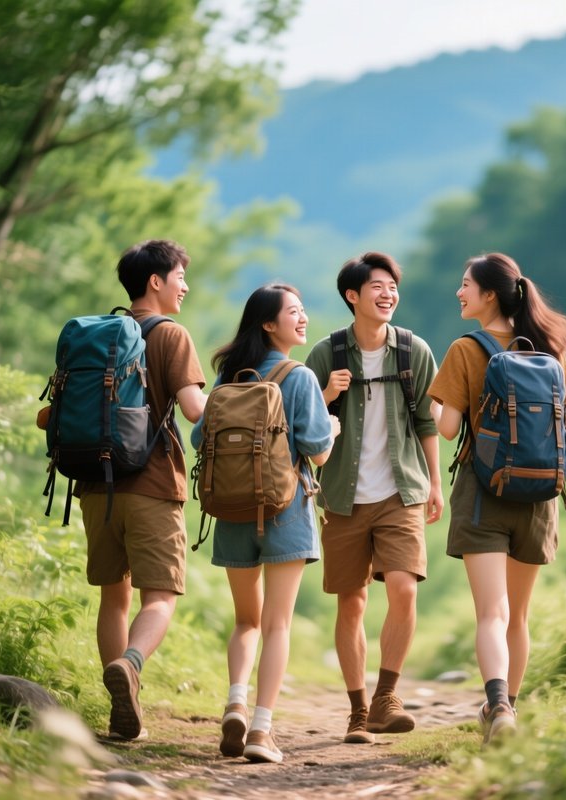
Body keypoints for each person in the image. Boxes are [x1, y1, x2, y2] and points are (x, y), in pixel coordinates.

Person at [428, 252, 566, 745]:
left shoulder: (465, 350)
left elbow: (450, 429)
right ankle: (508, 707)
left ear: (489, 294)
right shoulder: (548, 349)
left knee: (490, 613)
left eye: (466, 284)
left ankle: (497, 706)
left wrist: (436, 405)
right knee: (518, 615)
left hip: (484, 491)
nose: (460, 292)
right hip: (539, 495)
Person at [191, 283, 338, 764]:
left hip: (231, 511)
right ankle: (260, 729)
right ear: (269, 324)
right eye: (294, 313)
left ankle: (234, 701)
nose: (303, 320)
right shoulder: (298, 378)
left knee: (246, 620)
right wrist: (332, 427)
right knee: (277, 623)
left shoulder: (230, 377)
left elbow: (198, 438)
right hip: (285, 510)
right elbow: (317, 452)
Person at [305, 251, 443, 744]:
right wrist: (324, 394)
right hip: (342, 495)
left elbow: (426, 422)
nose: (388, 295)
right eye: (377, 287)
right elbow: (302, 425)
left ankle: (387, 695)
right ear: (353, 296)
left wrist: (434, 483)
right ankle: (358, 710)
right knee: (352, 603)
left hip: (401, 489)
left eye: (392, 286)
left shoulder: (413, 351)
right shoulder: (327, 353)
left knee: (405, 588)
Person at [79, 240, 207, 740]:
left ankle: (120, 709)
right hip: (152, 482)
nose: (185, 285)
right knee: (159, 596)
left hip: (95, 484)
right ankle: (131, 665)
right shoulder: (171, 335)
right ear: (155, 281)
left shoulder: (100, 333)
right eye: (179, 276)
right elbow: (195, 409)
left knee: (114, 598)